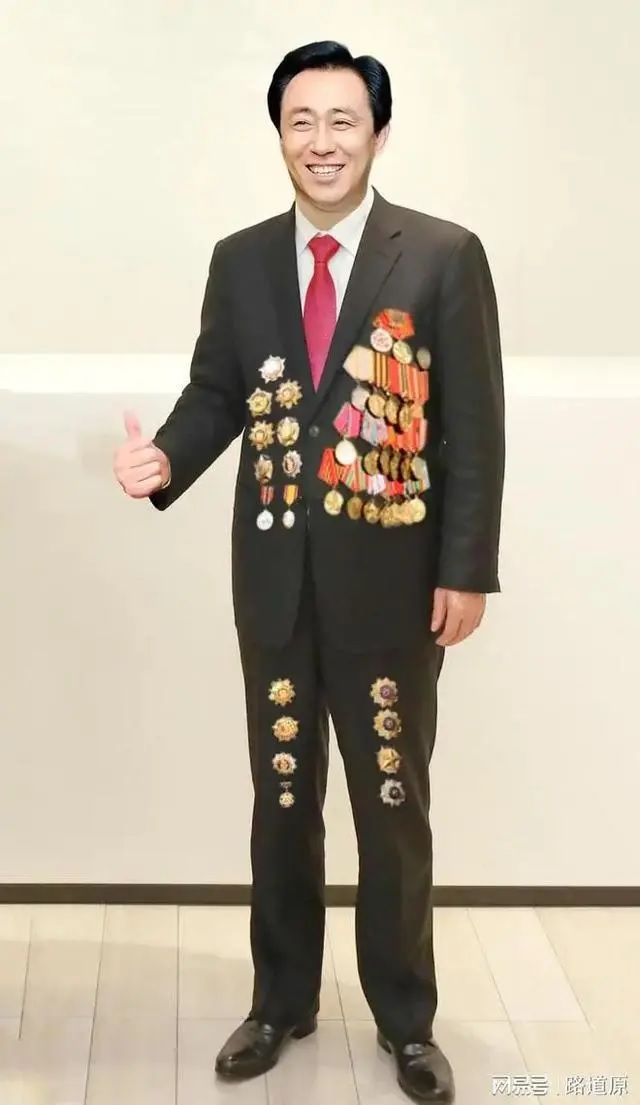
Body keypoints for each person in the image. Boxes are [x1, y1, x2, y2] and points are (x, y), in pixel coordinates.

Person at [113, 39, 505, 1104]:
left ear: (379, 132)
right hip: (275, 584)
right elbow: (216, 393)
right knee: (283, 798)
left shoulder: (441, 254)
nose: (321, 141)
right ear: (278, 134)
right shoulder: (240, 259)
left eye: (342, 120)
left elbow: (473, 428)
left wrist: (466, 569)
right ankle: (279, 1000)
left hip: (395, 588)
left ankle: (407, 1023)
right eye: (301, 121)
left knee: (391, 805)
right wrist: (167, 462)